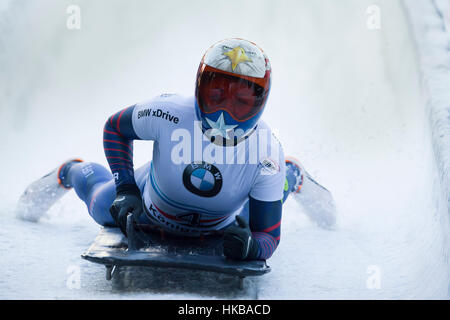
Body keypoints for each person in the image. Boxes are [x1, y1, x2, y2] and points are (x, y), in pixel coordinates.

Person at [17, 38, 333, 261]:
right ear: (198, 88)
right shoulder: (167, 112)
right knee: (103, 206)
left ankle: (292, 174)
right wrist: (126, 188)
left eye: (241, 101)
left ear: (259, 104)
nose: (224, 113)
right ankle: (70, 170)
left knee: (255, 216)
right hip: (148, 202)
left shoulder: (267, 152)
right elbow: (115, 127)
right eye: (217, 95)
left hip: (226, 223)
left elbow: (268, 235)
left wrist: (252, 248)